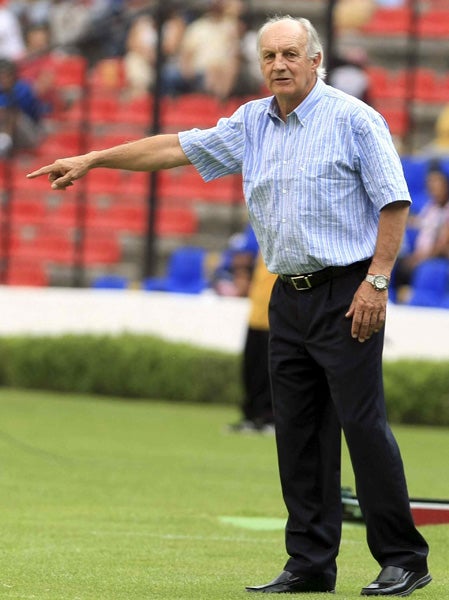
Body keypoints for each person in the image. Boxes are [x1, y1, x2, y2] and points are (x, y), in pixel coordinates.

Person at [26, 15, 431, 597]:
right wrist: (94, 158)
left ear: (315, 60)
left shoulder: (355, 119)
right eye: (269, 56)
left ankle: (403, 558)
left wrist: (377, 281)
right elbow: (174, 147)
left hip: (349, 293)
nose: (279, 64)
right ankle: (310, 562)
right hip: (287, 295)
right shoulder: (251, 122)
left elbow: (394, 202)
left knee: (362, 426)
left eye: (290, 53)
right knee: (296, 434)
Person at [227, 251, 277, 434]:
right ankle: (251, 415)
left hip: (274, 318)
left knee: (268, 372)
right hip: (256, 315)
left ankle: (269, 417)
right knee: (251, 369)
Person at [392, 162, 449, 302]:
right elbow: (419, 222)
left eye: (436, 184)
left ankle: (411, 298)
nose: (432, 188)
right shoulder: (431, 207)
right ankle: (399, 298)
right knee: (395, 263)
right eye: (430, 184)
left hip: (435, 256)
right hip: (420, 255)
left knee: (417, 269)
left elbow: (443, 243)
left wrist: (421, 258)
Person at [0, 57, 46, 155]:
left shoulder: (24, 88)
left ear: (13, 75)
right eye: (1, 76)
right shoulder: (2, 90)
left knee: (12, 115)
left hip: (32, 130)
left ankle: (4, 143)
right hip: (9, 131)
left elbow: (14, 111)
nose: (3, 79)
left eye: (6, 75)